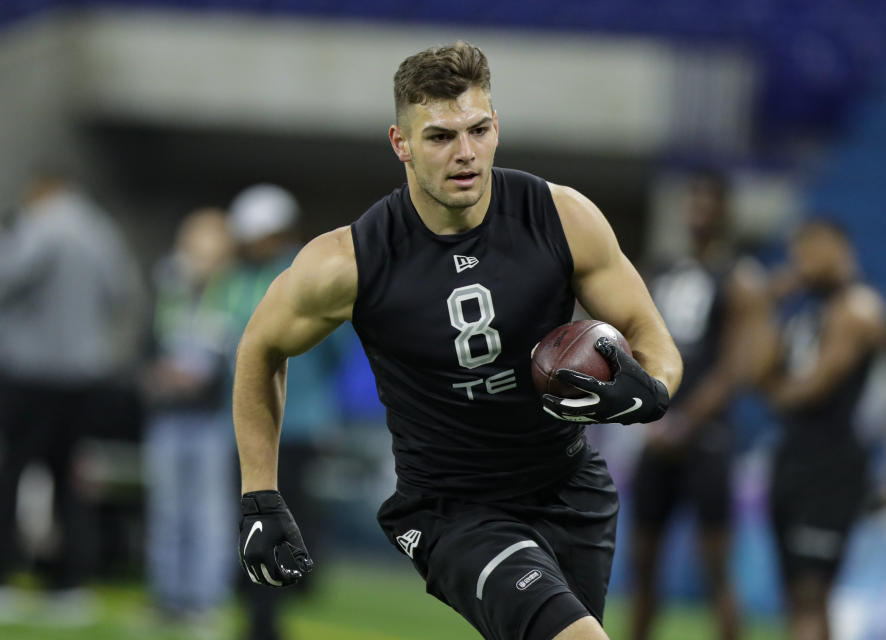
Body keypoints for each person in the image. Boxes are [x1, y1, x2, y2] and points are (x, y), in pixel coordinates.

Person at [232, 42, 682, 640]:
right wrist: (259, 495)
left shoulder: (562, 216)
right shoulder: (350, 261)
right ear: (401, 144)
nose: (465, 154)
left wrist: (650, 390)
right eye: (441, 137)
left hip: (572, 490)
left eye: (479, 130)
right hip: (455, 513)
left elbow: (654, 340)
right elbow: (259, 351)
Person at [0, 171, 145, 622]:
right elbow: (126, 295)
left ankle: (4, 576)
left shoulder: (40, 225)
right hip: (85, 377)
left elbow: (7, 278)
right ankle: (70, 583)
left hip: (31, 374)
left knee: (11, 474)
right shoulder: (102, 232)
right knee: (72, 480)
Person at [631, 170, 767, 640]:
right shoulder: (663, 271)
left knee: (715, 569)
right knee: (642, 563)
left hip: (705, 437)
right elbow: (639, 345)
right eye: (692, 202)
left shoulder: (739, 279)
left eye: (708, 204)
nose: (697, 213)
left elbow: (734, 367)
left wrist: (685, 421)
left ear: (725, 214)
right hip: (659, 431)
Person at [223, 184, 350, 640]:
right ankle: (256, 611)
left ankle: (266, 618)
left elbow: (336, 349)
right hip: (242, 425)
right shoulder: (239, 276)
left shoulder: (307, 273)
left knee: (279, 521)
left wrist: (315, 400)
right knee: (243, 521)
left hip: (296, 426)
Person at [760, 220, 886, 640]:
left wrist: (779, 391)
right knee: (797, 596)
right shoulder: (805, 313)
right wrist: (767, 305)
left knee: (813, 593)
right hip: (792, 458)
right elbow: (755, 371)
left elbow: (814, 387)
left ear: (837, 248)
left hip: (832, 465)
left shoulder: (858, 308)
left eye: (808, 252)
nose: (798, 264)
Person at [141, 208, 237, 629]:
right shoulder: (168, 285)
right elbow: (150, 339)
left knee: (207, 512)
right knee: (166, 509)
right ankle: (167, 597)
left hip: (211, 417)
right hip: (167, 413)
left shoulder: (234, 288)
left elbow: (233, 349)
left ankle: (203, 600)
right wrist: (157, 373)